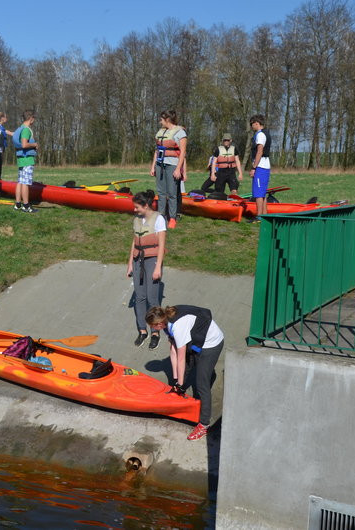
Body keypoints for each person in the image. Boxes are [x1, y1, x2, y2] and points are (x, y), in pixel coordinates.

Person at [146, 305, 225, 441]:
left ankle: (204, 424)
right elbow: (173, 351)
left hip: (212, 343)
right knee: (187, 370)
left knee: (201, 383)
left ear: (159, 323)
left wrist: (181, 384)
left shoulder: (177, 326)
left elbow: (181, 358)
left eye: (153, 326)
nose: (152, 329)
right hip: (198, 339)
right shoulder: (165, 323)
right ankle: (199, 377)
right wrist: (176, 381)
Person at [127, 190, 166, 350]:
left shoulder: (159, 219)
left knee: (152, 298)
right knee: (140, 297)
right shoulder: (137, 220)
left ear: (145, 205)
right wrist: (130, 263)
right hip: (138, 260)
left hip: (152, 260)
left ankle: (155, 332)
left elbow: (162, 244)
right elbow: (134, 242)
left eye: (137, 207)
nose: (135, 210)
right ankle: (142, 330)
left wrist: (158, 267)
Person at [150, 110, 187, 228]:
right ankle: (161, 217)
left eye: (161, 119)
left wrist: (178, 169)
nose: (160, 122)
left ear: (167, 120)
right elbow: (157, 151)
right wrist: (153, 167)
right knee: (161, 192)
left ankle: (172, 217)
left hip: (172, 165)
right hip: (160, 165)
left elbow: (182, 153)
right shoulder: (160, 132)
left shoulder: (180, 133)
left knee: (172, 193)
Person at [13, 110, 38, 213]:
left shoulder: (20, 128)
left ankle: (18, 204)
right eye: (34, 119)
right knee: (25, 183)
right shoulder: (26, 130)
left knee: (20, 182)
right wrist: (35, 145)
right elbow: (24, 144)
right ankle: (26, 205)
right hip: (27, 159)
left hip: (21, 159)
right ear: (31, 118)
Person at [249, 115, 272, 221]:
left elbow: (259, 151)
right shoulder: (266, 133)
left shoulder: (260, 135)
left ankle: (259, 217)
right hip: (266, 166)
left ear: (257, 123)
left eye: (252, 124)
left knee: (258, 193)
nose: (251, 126)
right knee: (263, 193)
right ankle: (264, 215)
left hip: (260, 167)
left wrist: (254, 167)